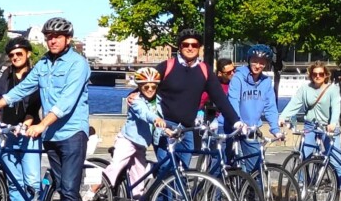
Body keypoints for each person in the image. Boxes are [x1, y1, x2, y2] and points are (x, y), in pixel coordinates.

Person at [0, 17, 91, 201]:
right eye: (48, 37)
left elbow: (66, 102)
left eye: (57, 37)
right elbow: (24, 88)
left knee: (69, 189)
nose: (52, 40)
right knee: (62, 186)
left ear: (68, 39)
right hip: (52, 135)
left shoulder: (78, 64)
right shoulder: (44, 63)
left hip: (72, 133)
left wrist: (40, 125)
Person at [134, 29, 241, 180]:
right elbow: (145, 85)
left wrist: (235, 121)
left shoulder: (204, 70)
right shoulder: (167, 66)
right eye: (186, 44)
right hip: (165, 126)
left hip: (188, 128)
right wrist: (133, 95)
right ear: (179, 46)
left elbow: (220, 99)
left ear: (199, 48)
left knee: (183, 173)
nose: (190, 48)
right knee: (167, 171)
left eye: (194, 45)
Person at [99, 68, 165, 201]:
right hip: (127, 140)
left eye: (153, 86)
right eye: (145, 86)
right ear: (139, 87)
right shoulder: (135, 100)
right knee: (116, 166)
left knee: (139, 180)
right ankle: (93, 190)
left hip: (141, 145)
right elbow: (145, 114)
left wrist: (170, 130)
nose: (150, 89)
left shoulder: (158, 100)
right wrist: (156, 119)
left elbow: (162, 118)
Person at [0, 37, 42, 201]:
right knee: (14, 181)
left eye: (19, 54)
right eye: (12, 55)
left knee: (32, 181)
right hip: (7, 131)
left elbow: (34, 105)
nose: (15, 57)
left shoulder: (35, 75)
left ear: (28, 54)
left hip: (29, 133)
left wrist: (27, 124)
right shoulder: (5, 76)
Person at [224, 44, 282, 172]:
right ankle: (212, 191)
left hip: (250, 128)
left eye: (262, 63)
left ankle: (252, 192)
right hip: (231, 125)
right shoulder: (239, 77)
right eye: (255, 61)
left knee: (255, 166)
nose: (257, 65)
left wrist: (275, 129)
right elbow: (233, 99)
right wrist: (237, 121)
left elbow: (270, 106)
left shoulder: (266, 82)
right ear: (249, 60)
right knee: (222, 165)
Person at [278, 61, 341, 177]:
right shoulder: (305, 88)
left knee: (335, 161)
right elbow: (294, 103)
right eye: (314, 74)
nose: (318, 76)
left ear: (326, 75)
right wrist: (283, 117)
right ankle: (302, 187)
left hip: (328, 126)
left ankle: (339, 188)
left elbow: (337, 107)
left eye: (321, 74)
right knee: (304, 156)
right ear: (311, 75)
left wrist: (332, 123)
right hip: (310, 126)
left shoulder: (332, 89)